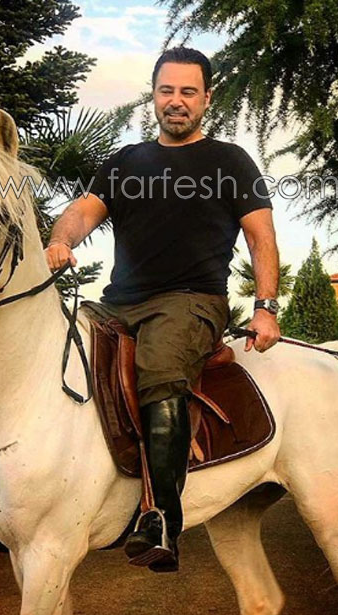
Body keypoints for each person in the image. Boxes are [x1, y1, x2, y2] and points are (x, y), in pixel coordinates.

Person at [45, 47, 281, 572]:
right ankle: (38, 499)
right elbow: (82, 213)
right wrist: (61, 239)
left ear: (207, 98)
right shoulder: (126, 162)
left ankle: (161, 518)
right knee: (59, 347)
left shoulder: (230, 162)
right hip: (117, 304)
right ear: (153, 96)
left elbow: (261, 236)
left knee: (159, 366)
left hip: (191, 301)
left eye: (188, 92)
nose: (177, 101)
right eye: (167, 90)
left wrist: (265, 307)